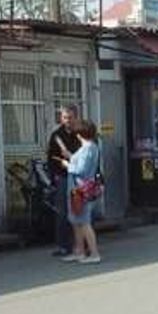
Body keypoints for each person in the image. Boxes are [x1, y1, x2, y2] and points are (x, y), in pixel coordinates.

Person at [59, 119, 102, 265]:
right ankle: (80, 251)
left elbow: (80, 169)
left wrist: (67, 165)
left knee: (83, 222)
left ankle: (94, 253)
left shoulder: (88, 148)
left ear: (79, 134)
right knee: (77, 221)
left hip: (81, 189)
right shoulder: (91, 147)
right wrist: (71, 157)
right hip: (80, 189)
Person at [47, 105, 82, 259]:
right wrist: (55, 174)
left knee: (80, 211)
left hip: (79, 176)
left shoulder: (81, 133)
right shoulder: (56, 135)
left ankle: (81, 245)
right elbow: (51, 157)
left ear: (76, 117)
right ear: (61, 118)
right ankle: (63, 246)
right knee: (63, 213)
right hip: (63, 176)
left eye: (70, 117)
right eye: (65, 117)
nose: (68, 120)